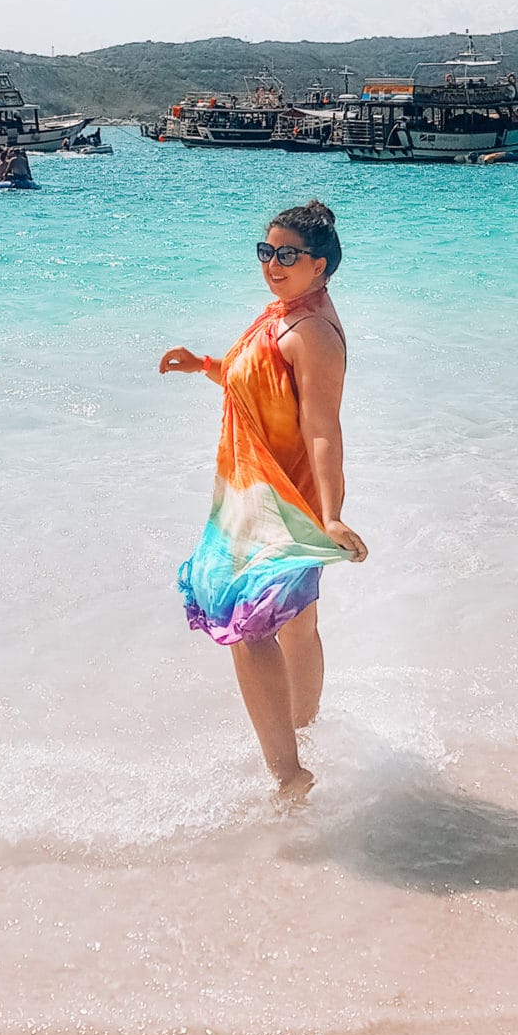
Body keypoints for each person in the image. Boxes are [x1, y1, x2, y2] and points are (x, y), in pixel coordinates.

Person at [159, 200, 367, 802]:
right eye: (266, 252)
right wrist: (205, 366)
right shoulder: (282, 314)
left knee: (249, 631)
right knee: (298, 625)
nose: (273, 264)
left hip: (281, 500)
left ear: (320, 266)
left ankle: (288, 775)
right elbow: (258, 381)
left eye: (288, 255)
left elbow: (323, 429)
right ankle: (307, 735)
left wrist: (329, 514)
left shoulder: (314, 336)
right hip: (260, 493)